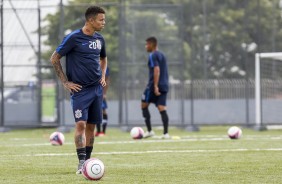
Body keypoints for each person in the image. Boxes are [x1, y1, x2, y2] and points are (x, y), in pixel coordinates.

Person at [50, 6, 107, 175]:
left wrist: (103, 76)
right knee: (81, 124)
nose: (104, 23)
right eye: (101, 20)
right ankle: (81, 162)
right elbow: (54, 58)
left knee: (92, 126)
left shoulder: (100, 39)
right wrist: (65, 82)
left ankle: (88, 161)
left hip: (96, 89)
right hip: (80, 90)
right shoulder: (73, 38)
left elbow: (104, 58)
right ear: (90, 20)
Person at [141, 37, 170, 139]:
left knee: (143, 105)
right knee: (162, 108)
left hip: (154, 85)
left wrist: (155, 86)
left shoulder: (152, 55)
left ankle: (149, 131)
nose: (146, 46)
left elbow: (156, 70)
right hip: (165, 85)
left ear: (152, 44)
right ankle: (166, 134)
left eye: (147, 44)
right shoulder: (162, 55)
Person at [95, 67, 110, 137]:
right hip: (92, 91)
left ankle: (102, 132)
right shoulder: (91, 62)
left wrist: (104, 93)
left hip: (100, 92)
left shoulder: (104, 66)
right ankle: (98, 131)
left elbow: (107, 79)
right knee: (95, 111)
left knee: (102, 110)